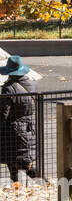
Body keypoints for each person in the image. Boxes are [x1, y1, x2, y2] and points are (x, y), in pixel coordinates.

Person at [0, 56, 38, 185]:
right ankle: (41, 182)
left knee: (15, 161)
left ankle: (16, 184)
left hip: (13, 131)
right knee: (25, 160)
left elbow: (3, 114)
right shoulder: (32, 84)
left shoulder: (8, 89)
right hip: (29, 128)